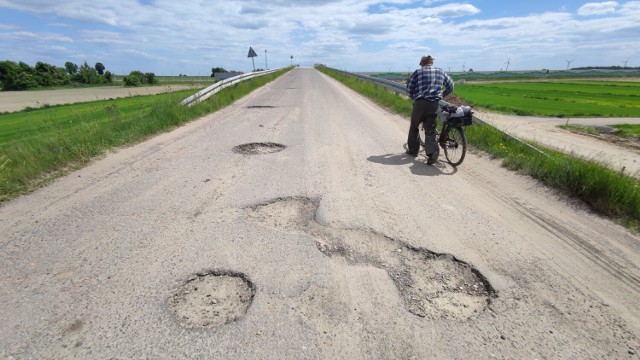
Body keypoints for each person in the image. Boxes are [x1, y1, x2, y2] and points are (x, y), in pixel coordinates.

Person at [405, 55, 454, 165]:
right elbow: (451, 86)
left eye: (420, 63)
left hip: (421, 103)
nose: (419, 65)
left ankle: (413, 151)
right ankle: (432, 154)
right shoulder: (440, 71)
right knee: (430, 129)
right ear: (431, 62)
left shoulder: (418, 72)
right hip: (434, 104)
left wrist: (413, 96)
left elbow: (409, 89)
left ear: (422, 62)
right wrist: (441, 95)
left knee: (414, 126)